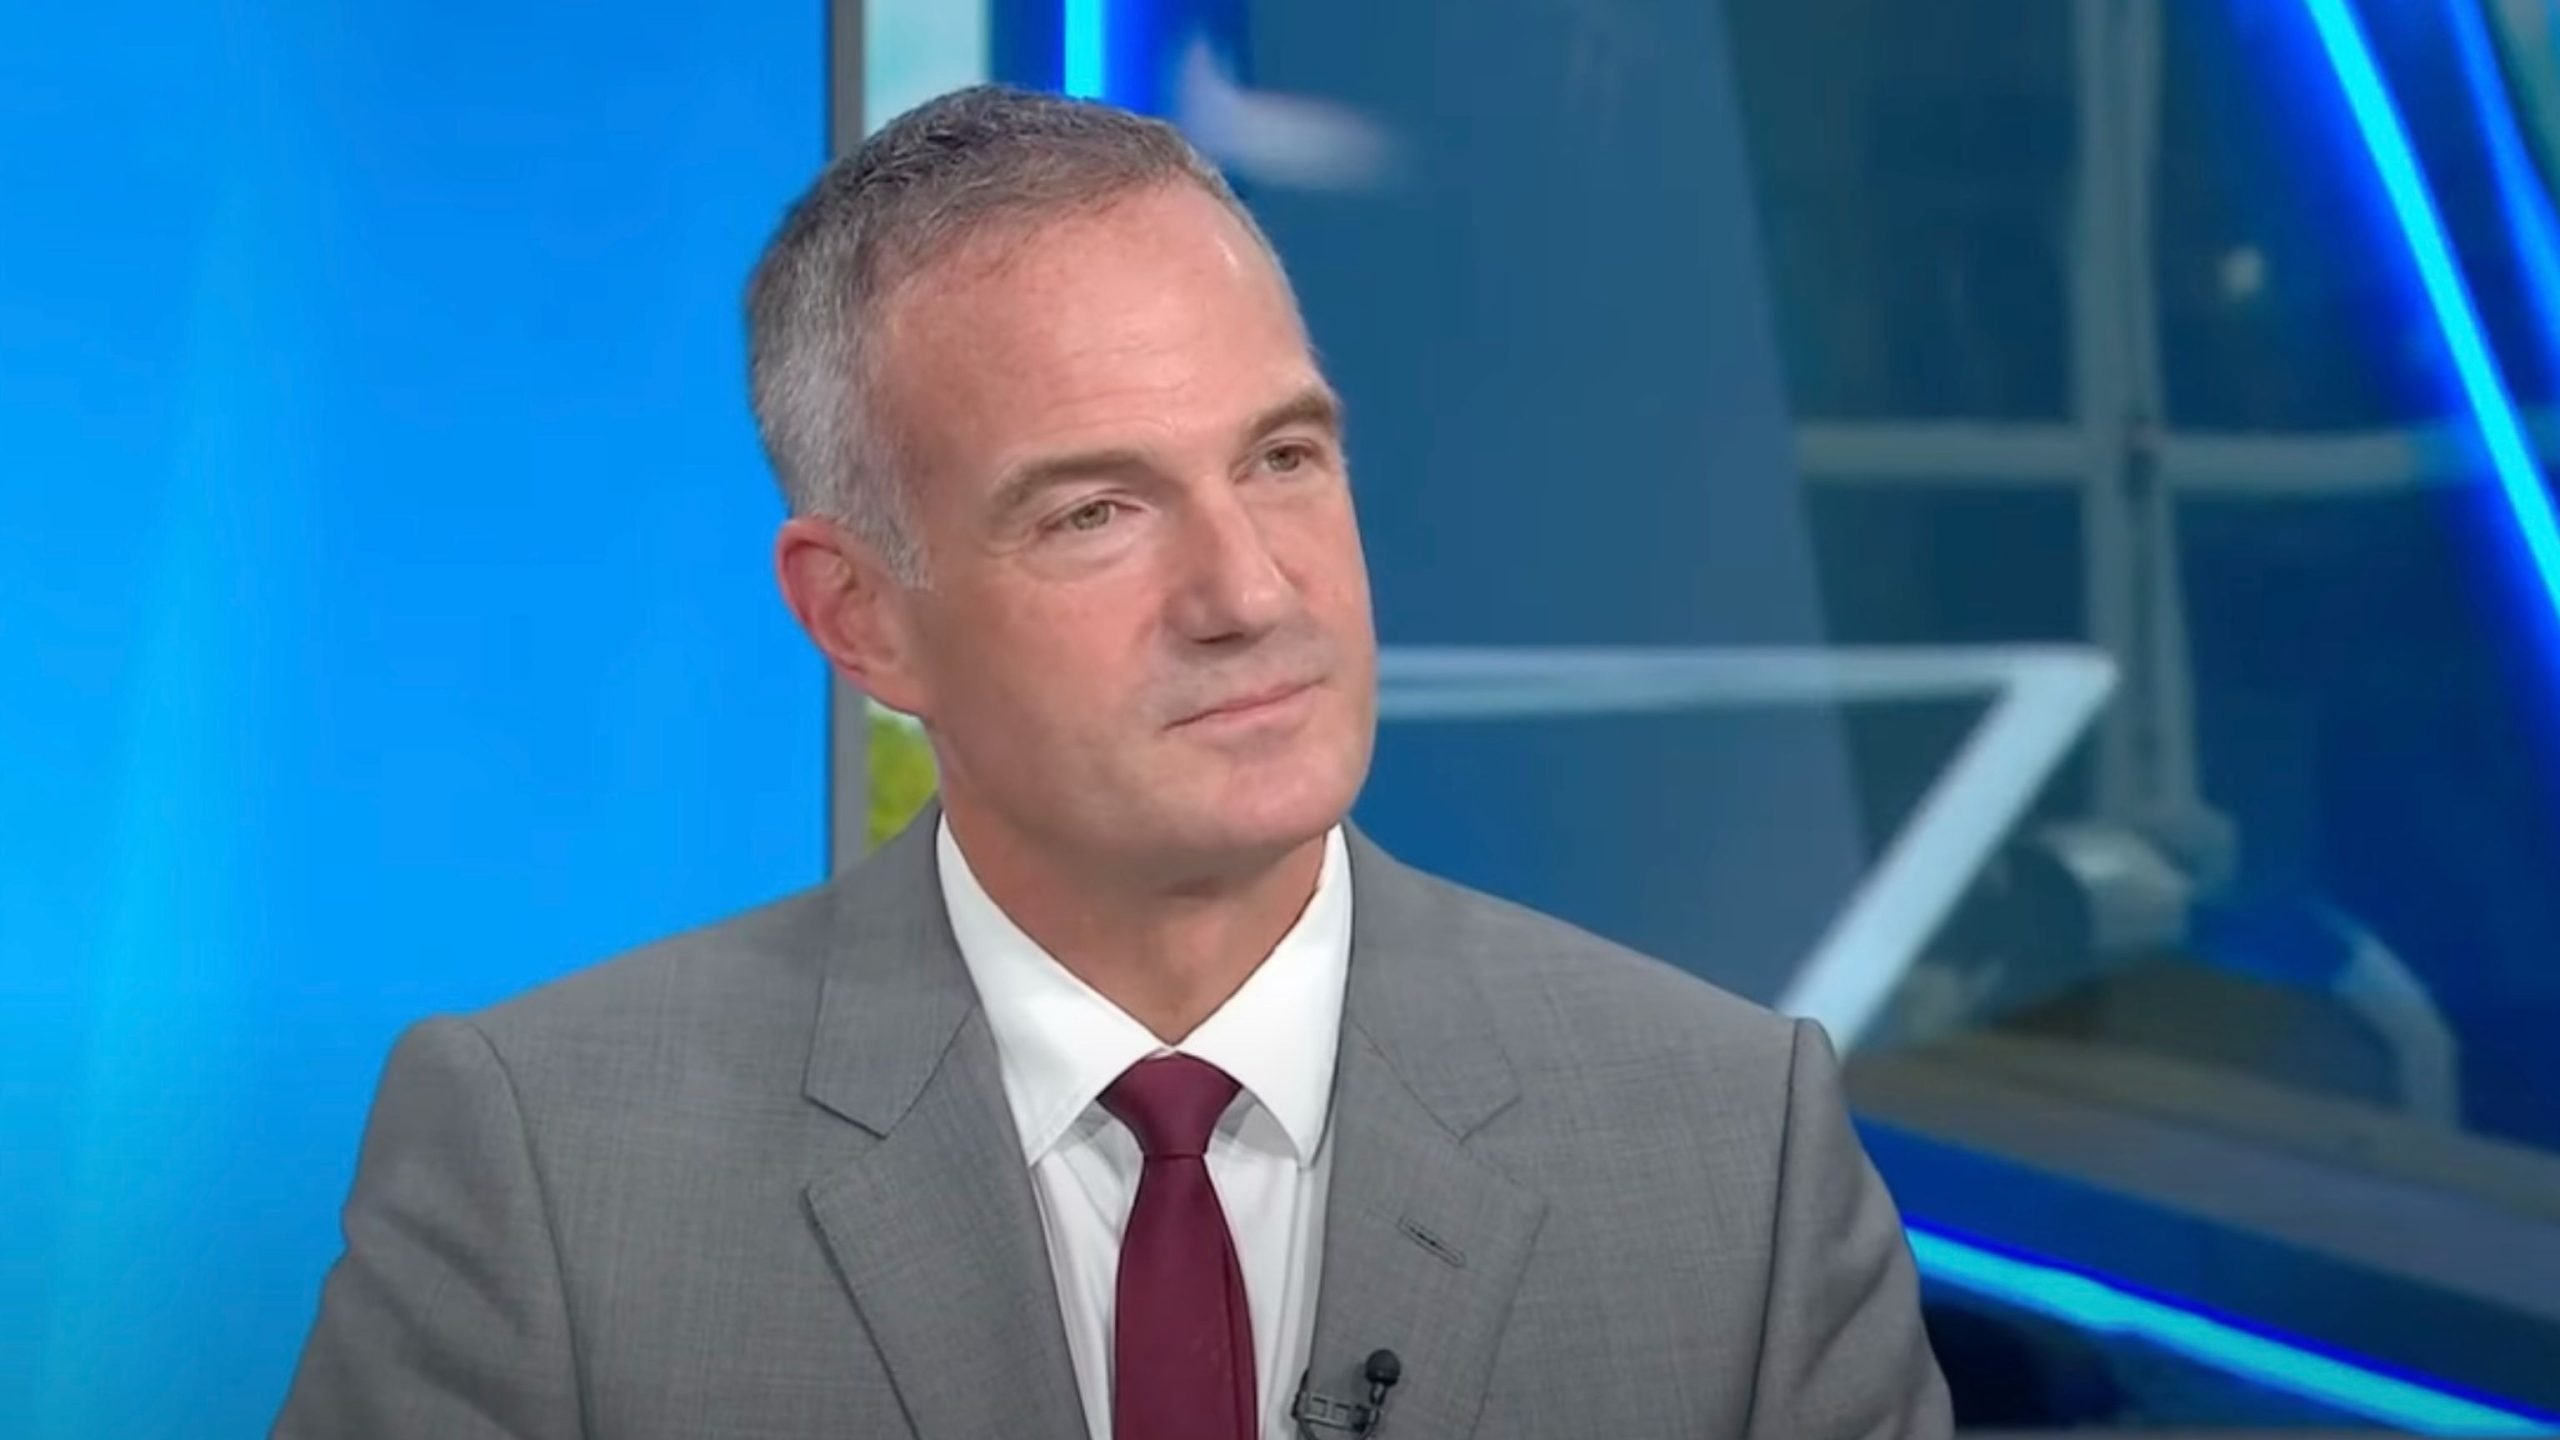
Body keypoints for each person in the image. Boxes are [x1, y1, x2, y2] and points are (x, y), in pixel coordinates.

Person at [276, 84, 1950, 1440]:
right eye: (1096, 511)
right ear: (860, 619)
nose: (1250, 594)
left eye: (1283, 459)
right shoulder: (550, 1174)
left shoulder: (1734, 1155)